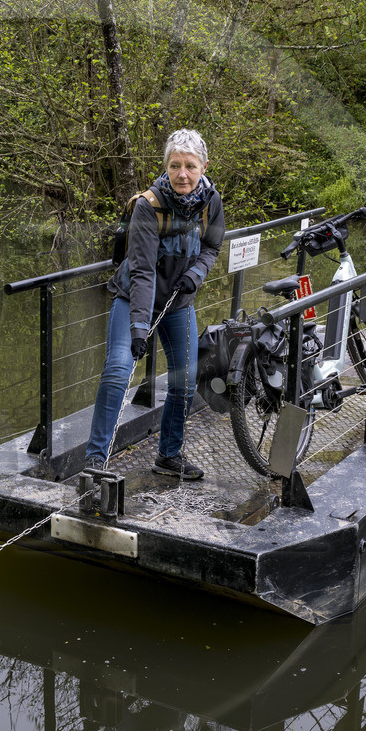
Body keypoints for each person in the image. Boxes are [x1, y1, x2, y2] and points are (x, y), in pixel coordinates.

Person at [83, 129, 226, 480]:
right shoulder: (148, 206)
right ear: (165, 166)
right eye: (175, 165)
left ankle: (168, 455)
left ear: (203, 166)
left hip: (180, 300)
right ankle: (94, 462)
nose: (182, 174)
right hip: (134, 297)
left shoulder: (211, 201)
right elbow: (143, 272)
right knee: (118, 371)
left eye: (190, 166)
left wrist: (197, 273)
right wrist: (138, 329)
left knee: (185, 379)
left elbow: (211, 246)